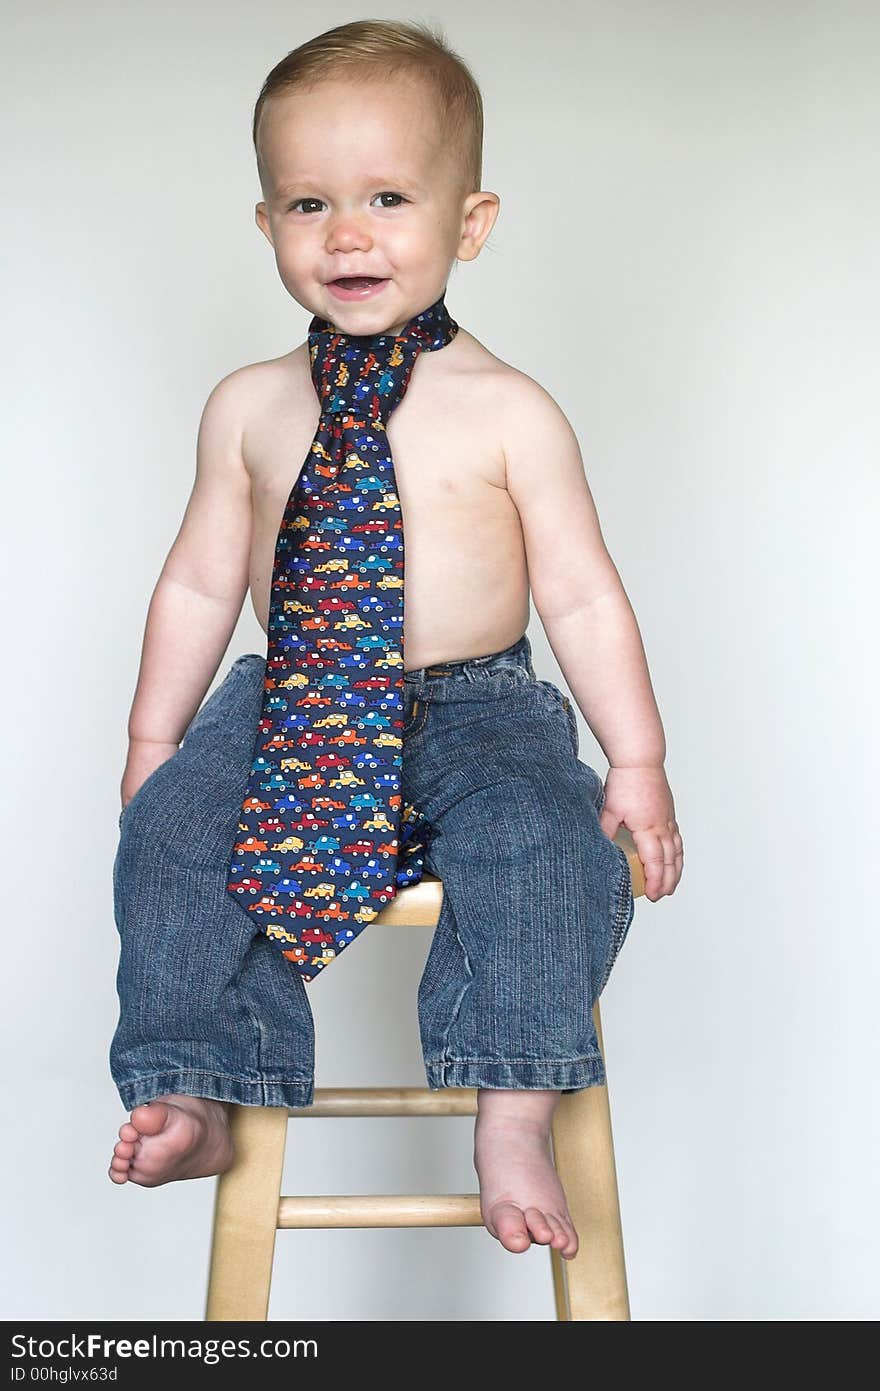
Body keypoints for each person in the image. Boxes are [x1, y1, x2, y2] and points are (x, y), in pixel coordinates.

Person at [107, 18, 684, 1265]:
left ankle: (513, 1103)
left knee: (540, 841)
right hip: (291, 698)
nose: (348, 234)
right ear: (266, 225)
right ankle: (194, 1082)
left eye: (386, 197)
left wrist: (634, 760)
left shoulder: (510, 409)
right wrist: (157, 736)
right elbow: (201, 579)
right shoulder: (249, 407)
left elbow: (582, 596)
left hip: (478, 708)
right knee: (169, 835)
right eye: (309, 202)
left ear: (468, 224)